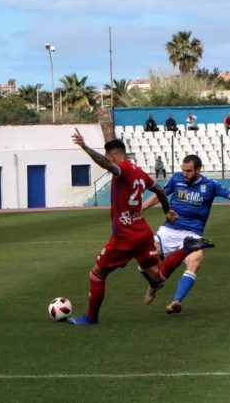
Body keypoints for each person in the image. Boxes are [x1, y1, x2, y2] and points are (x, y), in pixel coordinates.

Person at [65, 128, 175, 325]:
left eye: (109, 156)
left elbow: (109, 166)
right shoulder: (139, 171)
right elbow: (158, 188)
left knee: (97, 274)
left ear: (112, 154)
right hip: (142, 231)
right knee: (156, 275)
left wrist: (84, 146)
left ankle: (91, 318)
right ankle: (173, 262)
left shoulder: (122, 168)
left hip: (125, 237)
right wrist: (166, 210)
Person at [141, 155, 230, 313]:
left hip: (192, 234)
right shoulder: (176, 179)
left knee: (195, 261)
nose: (185, 173)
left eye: (188, 171)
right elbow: (158, 195)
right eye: (183, 170)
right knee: (144, 256)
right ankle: (153, 286)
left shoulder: (209, 185)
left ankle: (176, 301)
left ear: (198, 170)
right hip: (168, 231)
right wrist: (140, 209)